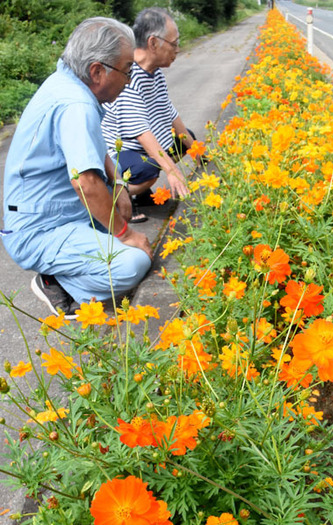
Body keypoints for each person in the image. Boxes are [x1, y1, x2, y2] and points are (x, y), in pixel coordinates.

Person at [2, 17, 152, 318]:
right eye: (126, 70)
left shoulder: (67, 82)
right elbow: (86, 183)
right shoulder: (76, 105)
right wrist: (125, 235)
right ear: (97, 71)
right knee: (133, 262)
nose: (129, 79)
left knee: (124, 236)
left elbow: (92, 151)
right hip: (41, 229)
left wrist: (119, 184)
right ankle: (56, 283)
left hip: (60, 214)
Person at [101, 7, 200, 223]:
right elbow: (140, 132)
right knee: (149, 167)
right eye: (174, 44)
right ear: (153, 43)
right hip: (119, 152)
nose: (178, 49)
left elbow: (169, 111)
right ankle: (119, 196)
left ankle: (142, 193)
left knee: (185, 138)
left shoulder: (155, 72)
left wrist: (197, 150)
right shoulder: (128, 75)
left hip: (142, 146)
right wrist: (172, 171)